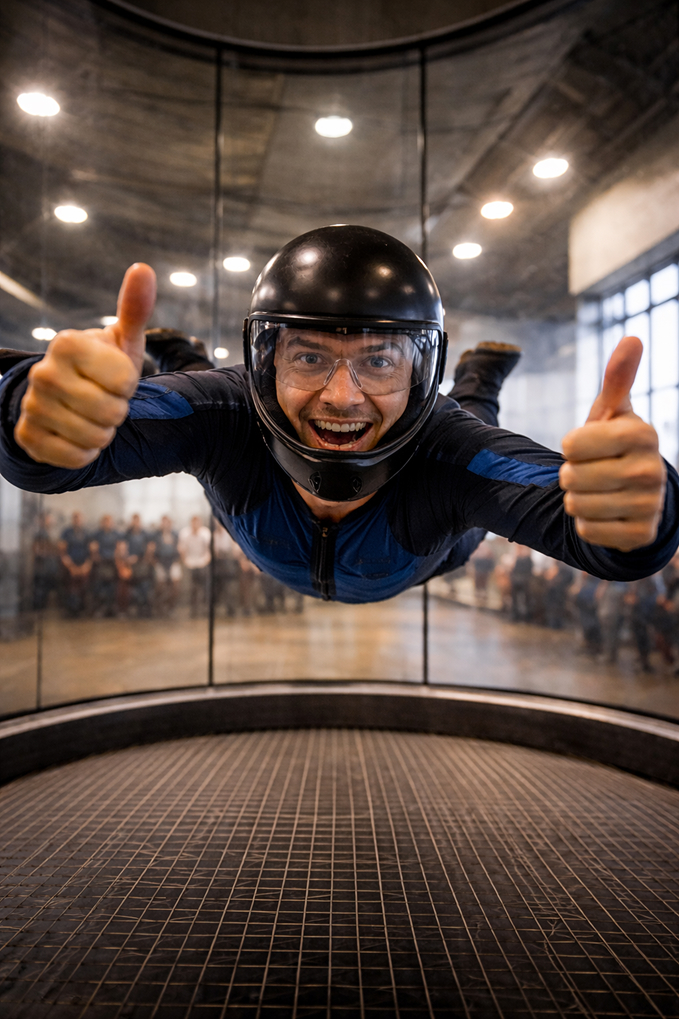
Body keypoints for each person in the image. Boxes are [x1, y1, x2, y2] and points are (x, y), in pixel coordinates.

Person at [0, 225, 675, 610]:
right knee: (201, 394)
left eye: (379, 361)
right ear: (264, 363)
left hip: (438, 553)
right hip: (270, 470)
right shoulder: (229, 409)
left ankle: (478, 376)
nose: (343, 398)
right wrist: (33, 410)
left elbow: (594, 531)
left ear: (420, 373)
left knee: (471, 416)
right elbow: (54, 453)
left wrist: (644, 510)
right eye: (308, 356)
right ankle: (184, 358)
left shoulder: (447, 447)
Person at [58, 511, 92, 617]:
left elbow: (91, 552)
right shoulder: (66, 533)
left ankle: (82, 609)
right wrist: (71, 567)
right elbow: (62, 552)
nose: (77, 521)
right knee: (71, 588)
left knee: (83, 587)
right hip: (70, 566)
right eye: (75, 518)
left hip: (84, 565)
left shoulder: (87, 533)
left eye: (79, 518)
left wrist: (86, 566)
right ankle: (70, 610)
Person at [178, 516, 211, 617]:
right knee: (192, 588)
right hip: (190, 563)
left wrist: (205, 561)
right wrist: (185, 561)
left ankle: (203, 608)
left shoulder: (205, 533)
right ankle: (193, 609)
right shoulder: (185, 534)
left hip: (202, 563)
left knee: (203, 588)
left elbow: (208, 550)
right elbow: (182, 549)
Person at [89, 513, 120, 617]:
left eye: (109, 521)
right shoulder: (97, 534)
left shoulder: (116, 534)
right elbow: (93, 547)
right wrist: (96, 556)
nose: (107, 523)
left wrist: (117, 557)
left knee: (113, 587)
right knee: (99, 586)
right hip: (101, 562)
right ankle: (100, 607)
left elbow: (119, 547)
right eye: (105, 521)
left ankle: (111, 607)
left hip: (112, 563)